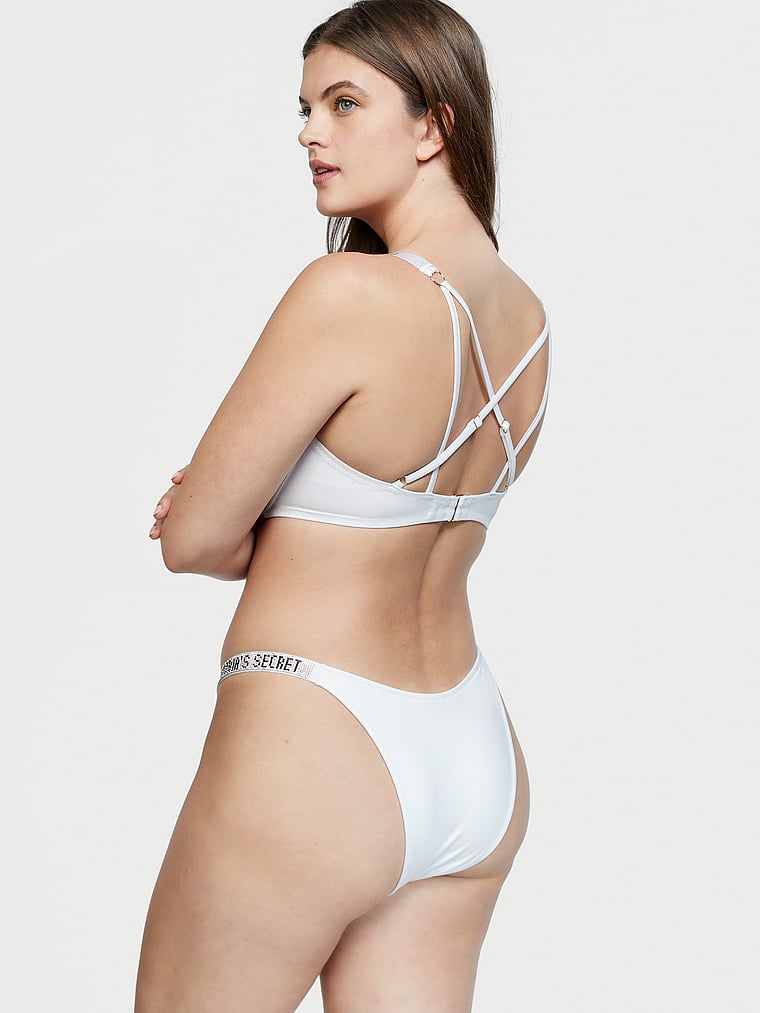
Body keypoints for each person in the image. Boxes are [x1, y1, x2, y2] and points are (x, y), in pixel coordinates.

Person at [135, 0, 551, 1009]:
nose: (309, 132)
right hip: (471, 750)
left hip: (314, 743)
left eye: (344, 102)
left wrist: (242, 511)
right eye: (306, 107)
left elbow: (193, 538)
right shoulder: (529, 323)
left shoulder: (345, 295)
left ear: (433, 124)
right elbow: (411, 525)